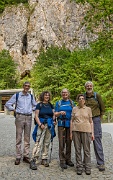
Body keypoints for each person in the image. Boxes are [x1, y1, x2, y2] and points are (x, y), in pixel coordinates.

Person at [5, 81, 37, 165]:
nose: (27, 87)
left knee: (27, 137)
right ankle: (18, 156)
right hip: (20, 117)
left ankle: (26, 156)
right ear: (23, 86)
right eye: (26, 86)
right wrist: (14, 110)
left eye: (28, 86)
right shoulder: (17, 95)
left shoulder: (31, 96)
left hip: (29, 117)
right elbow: (7, 104)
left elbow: (35, 105)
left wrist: (32, 109)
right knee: (18, 137)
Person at [30, 91, 55, 170]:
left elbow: (53, 115)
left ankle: (44, 158)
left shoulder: (51, 105)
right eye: (45, 95)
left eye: (48, 95)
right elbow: (36, 116)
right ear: (42, 96)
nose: (47, 96)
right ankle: (34, 159)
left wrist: (54, 121)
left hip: (49, 125)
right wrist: (40, 124)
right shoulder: (39, 105)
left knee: (47, 142)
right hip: (41, 125)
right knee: (38, 142)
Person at [70, 94, 94, 175]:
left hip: (86, 131)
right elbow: (72, 121)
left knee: (87, 150)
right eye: (79, 99)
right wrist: (71, 132)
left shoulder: (88, 109)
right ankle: (79, 167)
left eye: (82, 98)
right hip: (76, 131)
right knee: (78, 150)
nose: (81, 100)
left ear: (85, 100)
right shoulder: (74, 109)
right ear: (77, 100)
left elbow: (91, 122)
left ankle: (87, 167)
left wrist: (92, 133)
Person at [84, 81, 105, 171]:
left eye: (90, 86)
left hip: (95, 119)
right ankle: (86, 162)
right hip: (85, 120)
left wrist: (99, 118)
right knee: (85, 141)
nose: (89, 87)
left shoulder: (97, 96)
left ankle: (100, 163)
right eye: (87, 86)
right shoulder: (83, 97)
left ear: (92, 87)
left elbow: (102, 108)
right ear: (85, 87)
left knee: (97, 140)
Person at [55, 88, 75, 169]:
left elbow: (75, 112)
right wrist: (60, 113)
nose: (64, 94)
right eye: (63, 93)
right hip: (61, 124)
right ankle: (62, 160)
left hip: (70, 124)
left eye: (66, 92)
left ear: (68, 93)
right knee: (61, 142)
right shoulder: (58, 103)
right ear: (61, 94)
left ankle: (68, 159)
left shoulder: (72, 103)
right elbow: (55, 114)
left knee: (69, 142)